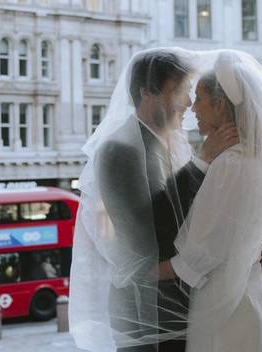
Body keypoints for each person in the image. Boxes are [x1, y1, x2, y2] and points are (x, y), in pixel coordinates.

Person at [70, 49, 240, 352]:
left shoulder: (174, 142)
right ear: (147, 92)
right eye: (181, 91)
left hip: (181, 304)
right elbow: (147, 232)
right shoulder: (119, 150)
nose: (188, 103)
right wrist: (202, 162)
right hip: (147, 314)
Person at [161, 51, 262, 352]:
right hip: (255, 295)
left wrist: (150, 271)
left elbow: (201, 250)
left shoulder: (230, 164)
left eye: (200, 98)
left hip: (225, 303)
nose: (193, 108)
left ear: (220, 105)